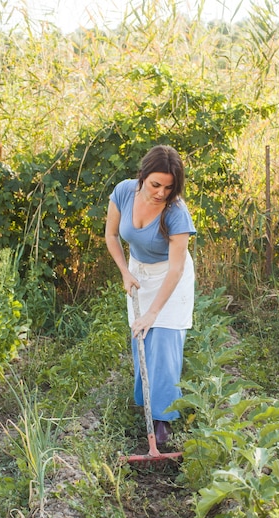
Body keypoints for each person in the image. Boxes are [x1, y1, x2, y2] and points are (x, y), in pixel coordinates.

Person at [105, 145, 196, 445]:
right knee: (141, 340)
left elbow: (176, 269)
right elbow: (111, 235)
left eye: (169, 188)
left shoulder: (176, 213)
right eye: (156, 184)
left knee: (164, 344)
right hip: (139, 274)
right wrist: (125, 272)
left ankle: (164, 421)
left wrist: (154, 312)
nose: (161, 193)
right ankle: (146, 405)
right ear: (142, 176)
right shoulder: (123, 192)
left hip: (171, 278)